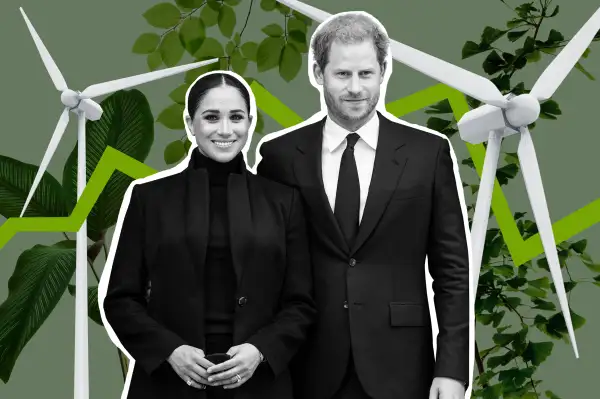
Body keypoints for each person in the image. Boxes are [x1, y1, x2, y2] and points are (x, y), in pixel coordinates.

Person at [254, 11, 471, 399]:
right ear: (318, 73)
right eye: (342, 75)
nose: (355, 88)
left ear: (384, 71)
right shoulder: (279, 157)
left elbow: (452, 269)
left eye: (366, 74)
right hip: (305, 363)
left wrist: (453, 368)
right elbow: (262, 267)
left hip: (401, 363)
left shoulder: (429, 153)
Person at [99, 71, 317, 399]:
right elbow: (120, 299)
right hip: (169, 384)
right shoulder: (149, 198)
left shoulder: (283, 201)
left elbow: (301, 303)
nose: (225, 130)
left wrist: (259, 351)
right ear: (190, 123)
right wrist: (171, 350)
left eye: (236, 117)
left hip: (260, 385)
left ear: (250, 123)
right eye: (211, 117)